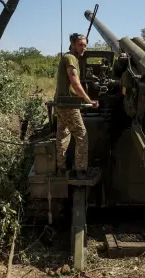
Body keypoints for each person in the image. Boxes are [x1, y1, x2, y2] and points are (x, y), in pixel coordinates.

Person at [54, 33, 98, 179]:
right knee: (81, 136)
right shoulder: (71, 58)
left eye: (85, 45)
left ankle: (61, 169)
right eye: (81, 44)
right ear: (72, 44)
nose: (83, 48)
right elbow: (75, 82)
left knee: (63, 135)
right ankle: (80, 171)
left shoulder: (67, 57)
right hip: (69, 105)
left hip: (60, 103)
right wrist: (89, 100)